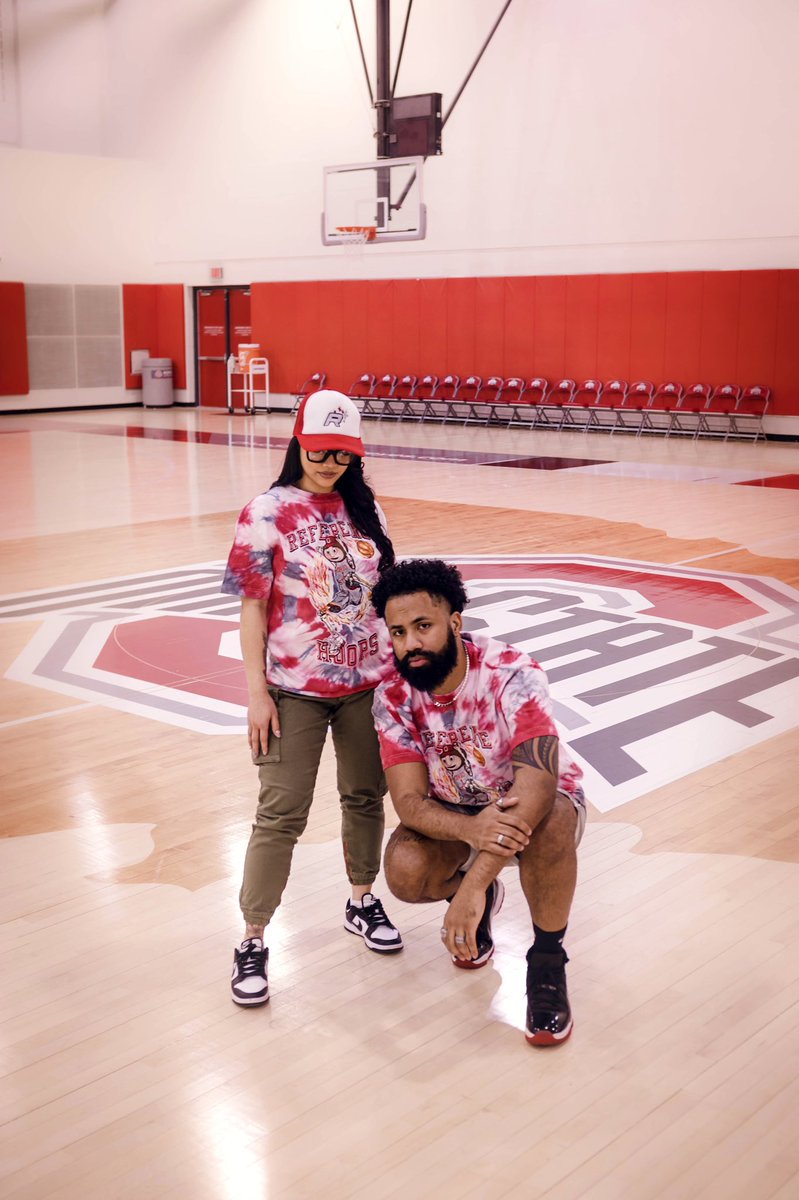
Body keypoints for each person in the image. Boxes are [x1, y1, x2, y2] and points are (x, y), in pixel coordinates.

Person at [222, 389, 403, 1007]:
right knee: (280, 814)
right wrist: (256, 694)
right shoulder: (266, 512)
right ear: (298, 439)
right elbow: (252, 610)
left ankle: (361, 900)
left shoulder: (364, 509)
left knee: (365, 796)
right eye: (322, 450)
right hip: (293, 692)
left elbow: (384, 597)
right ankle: (252, 937)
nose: (331, 463)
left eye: (345, 454)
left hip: (367, 689)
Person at [370, 559, 587, 1046]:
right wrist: (470, 833)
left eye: (423, 626)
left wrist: (471, 889)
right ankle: (482, 895)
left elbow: (535, 788)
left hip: (536, 801)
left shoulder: (511, 672)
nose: (411, 644)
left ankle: (547, 963)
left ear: (454, 623)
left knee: (549, 824)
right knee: (405, 868)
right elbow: (407, 801)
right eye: (398, 632)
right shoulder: (392, 696)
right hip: (460, 812)